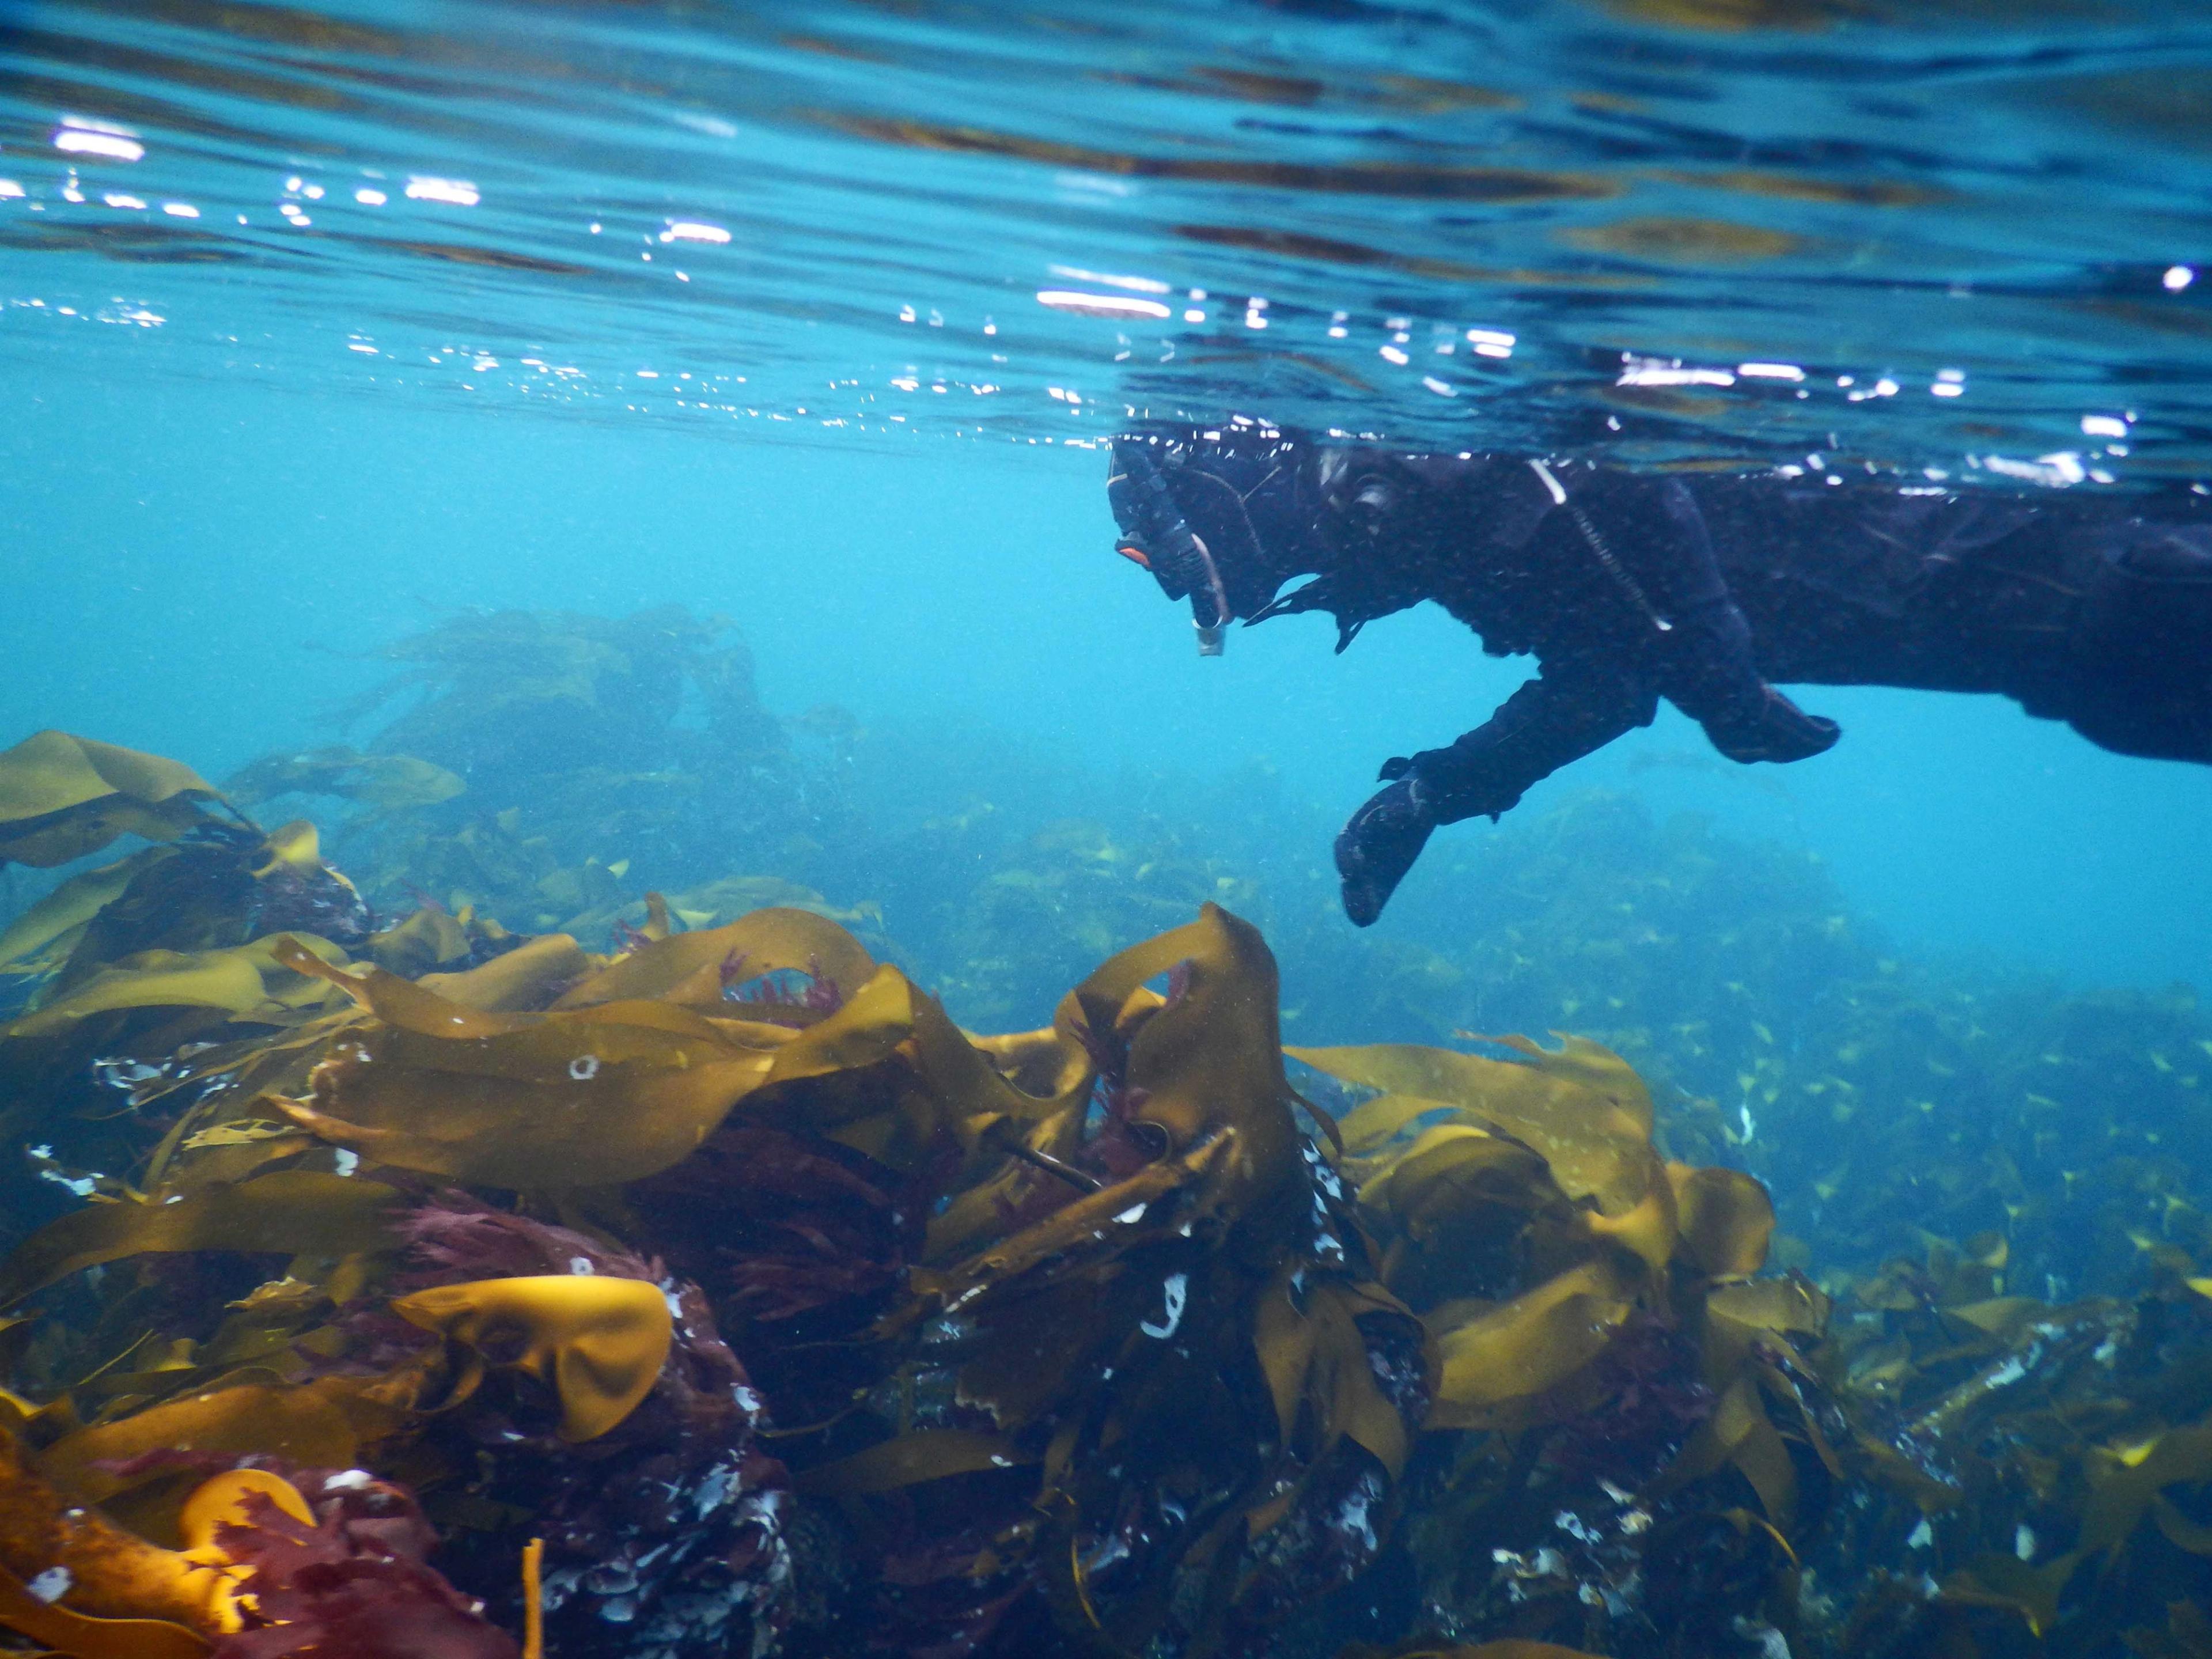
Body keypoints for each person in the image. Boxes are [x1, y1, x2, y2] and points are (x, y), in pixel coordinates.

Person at [1105, 423, 2212, 925]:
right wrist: (1429, 798)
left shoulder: (1458, 471)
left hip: (2076, 579)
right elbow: (1607, 674)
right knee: (2123, 684)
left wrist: (1725, 693)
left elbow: (1632, 496)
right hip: (2054, 644)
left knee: (2135, 621)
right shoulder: (1456, 534)